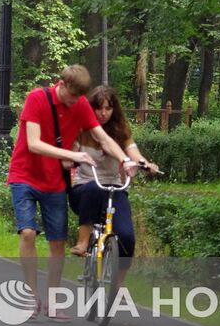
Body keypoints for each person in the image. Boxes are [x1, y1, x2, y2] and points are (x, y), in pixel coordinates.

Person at [6, 65, 137, 321]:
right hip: (24, 176)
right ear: (61, 84)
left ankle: (53, 302)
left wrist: (125, 160)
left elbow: (103, 138)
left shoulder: (78, 105)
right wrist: (73, 155)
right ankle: (32, 298)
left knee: (57, 243)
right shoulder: (36, 98)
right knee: (29, 232)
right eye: (72, 96)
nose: (75, 102)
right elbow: (33, 143)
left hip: (54, 182)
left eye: (80, 98)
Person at [68, 86, 158, 290]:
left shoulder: (121, 132)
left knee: (126, 236)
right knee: (92, 188)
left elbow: (133, 154)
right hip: (86, 189)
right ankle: (83, 241)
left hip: (114, 189)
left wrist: (145, 164)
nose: (103, 113)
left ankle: (119, 283)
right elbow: (70, 153)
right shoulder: (82, 131)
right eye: (99, 108)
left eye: (108, 108)